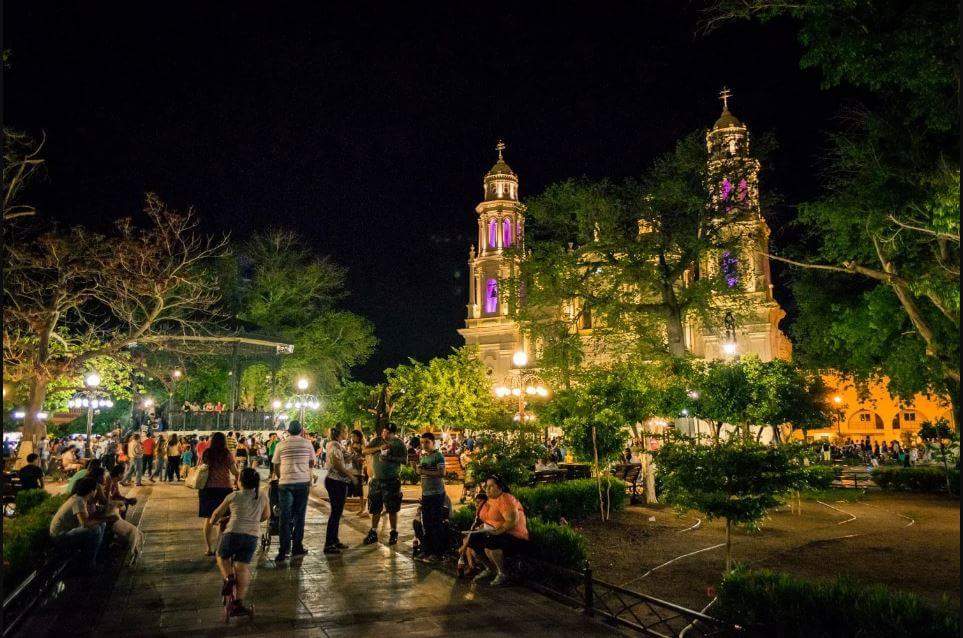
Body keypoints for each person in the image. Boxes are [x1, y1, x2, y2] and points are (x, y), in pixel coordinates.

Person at [211, 467, 269, 617]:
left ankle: (228, 578)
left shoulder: (233, 496)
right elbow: (266, 515)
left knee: (221, 556)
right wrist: (255, 519)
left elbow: (217, 513)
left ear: (240, 482)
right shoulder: (262, 496)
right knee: (242, 568)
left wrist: (213, 521)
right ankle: (238, 603)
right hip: (251, 537)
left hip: (232, 533)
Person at [468, 476, 529, 587]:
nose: (487, 489)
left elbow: (512, 521)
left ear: (500, 488)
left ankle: (502, 573)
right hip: (497, 532)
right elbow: (491, 518)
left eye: (491, 486)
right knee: (473, 542)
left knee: (491, 544)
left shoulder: (506, 499)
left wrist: (496, 531)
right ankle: (490, 569)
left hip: (514, 535)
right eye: (486, 486)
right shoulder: (491, 500)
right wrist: (485, 526)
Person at [271, 420, 315, 562]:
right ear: (301, 431)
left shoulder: (281, 444)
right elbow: (311, 462)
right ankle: (297, 546)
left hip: (286, 483)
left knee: (284, 517)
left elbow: (276, 464)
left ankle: (283, 550)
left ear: (288, 431)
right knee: (299, 516)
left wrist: (280, 476)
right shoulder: (307, 444)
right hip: (302, 483)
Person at [362, 423, 408, 546]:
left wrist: (390, 458)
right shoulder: (377, 440)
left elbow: (405, 460)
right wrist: (379, 448)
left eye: (387, 432)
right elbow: (365, 450)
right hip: (376, 480)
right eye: (383, 431)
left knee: (392, 508)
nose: (384, 434)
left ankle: (393, 532)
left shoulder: (399, 444)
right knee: (375, 507)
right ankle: (373, 532)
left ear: (393, 433)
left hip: (392, 480)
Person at [49, 477, 108, 570]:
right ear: (91, 490)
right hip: (60, 536)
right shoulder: (78, 501)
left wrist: (101, 517)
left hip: (66, 532)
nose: (97, 491)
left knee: (101, 526)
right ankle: (89, 563)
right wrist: (105, 519)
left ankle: (95, 556)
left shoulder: (80, 499)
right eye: (96, 489)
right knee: (95, 529)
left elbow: (88, 518)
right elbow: (85, 524)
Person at [199, 432, 240, 556]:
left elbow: (201, 467)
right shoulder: (226, 454)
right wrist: (237, 480)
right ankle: (219, 547)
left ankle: (208, 548)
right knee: (222, 519)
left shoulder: (207, 453)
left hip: (208, 489)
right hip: (224, 490)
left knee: (208, 519)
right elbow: (235, 471)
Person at [323, 427, 356, 554]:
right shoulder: (334, 445)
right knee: (335, 513)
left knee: (337, 512)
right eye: (346, 431)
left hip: (338, 481)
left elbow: (346, 457)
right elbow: (337, 464)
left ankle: (334, 540)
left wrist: (353, 453)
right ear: (341, 433)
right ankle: (329, 543)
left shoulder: (337, 445)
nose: (347, 433)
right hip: (335, 481)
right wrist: (350, 475)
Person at [416, 432, 447, 560]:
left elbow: (442, 473)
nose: (424, 445)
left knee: (436, 523)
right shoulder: (423, 456)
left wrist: (422, 471)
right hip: (426, 494)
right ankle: (427, 550)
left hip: (436, 494)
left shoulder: (438, 456)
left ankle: (438, 553)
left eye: (427, 442)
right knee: (427, 523)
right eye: (422, 442)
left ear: (433, 442)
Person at [456, 490, 489, 577]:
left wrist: (463, 547)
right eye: (476, 502)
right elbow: (472, 530)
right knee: (466, 541)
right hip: (478, 539)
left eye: (479, 502)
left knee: (468, 544)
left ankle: (472, 566)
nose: (477, 504)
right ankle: (471, 566)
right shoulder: (478, 513)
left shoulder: (485, 514)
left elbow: (475, 531)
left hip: (485, 541)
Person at [347, 429, 367, 516]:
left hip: (359, 471)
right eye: (351, 436)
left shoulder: (362, 445)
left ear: (358, 437)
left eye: (354, 436)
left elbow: (365, 455)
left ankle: (362, 508)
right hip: (351, 470)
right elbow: (349, 454)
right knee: (347, 489)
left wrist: (361, 459)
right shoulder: (351, 444)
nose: (352, 437)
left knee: (360, 492)